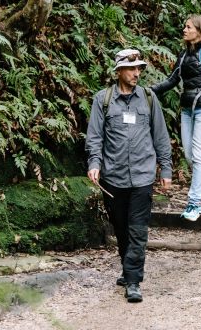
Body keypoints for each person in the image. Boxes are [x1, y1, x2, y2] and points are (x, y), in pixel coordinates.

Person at [85, 48, 173, 303]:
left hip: (143, 176)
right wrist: (94, 163)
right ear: (119, 71)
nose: (137, 73)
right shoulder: (103, 99)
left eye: (139, 69)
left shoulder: (148, 98)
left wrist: (165, 169)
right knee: (121, 228)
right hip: (113, 177)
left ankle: (133, 281)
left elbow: (161, 136)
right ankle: (128, 268)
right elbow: (95, 136)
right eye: (132, 69)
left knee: (137, 229)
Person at [151, 14, 201, 222]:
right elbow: (172, 80)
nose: (184, 30)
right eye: (184, 27)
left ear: (199, 30)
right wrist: (149, 91)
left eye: (188, 27)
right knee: (190, 156)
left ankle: (194, 204)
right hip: (188, 109)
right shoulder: (184, 55)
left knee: (198, 155)